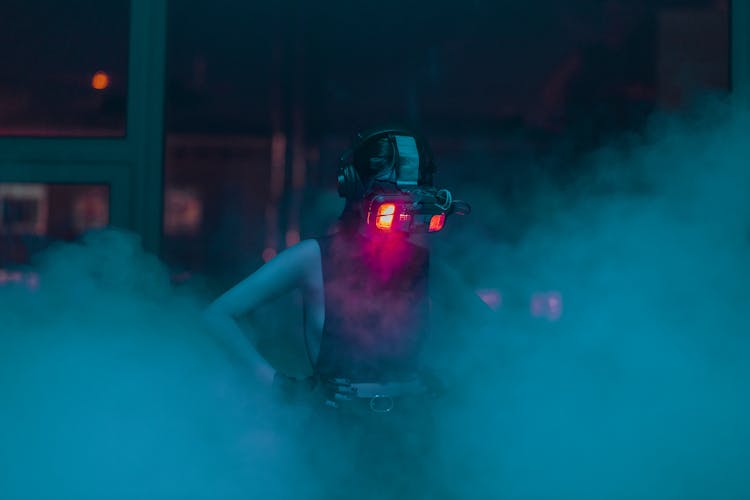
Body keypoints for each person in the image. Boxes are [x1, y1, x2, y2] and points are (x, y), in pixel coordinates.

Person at [203, 128, 469, 498]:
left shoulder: (422, 261)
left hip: (413, 429)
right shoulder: (313, 256)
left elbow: (494, 327)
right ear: (357, 188)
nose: (404, 204)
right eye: (391, 192)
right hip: (338, 430)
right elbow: (218, 315)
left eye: (413, 193)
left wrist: (453, 375)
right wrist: (280, 384)